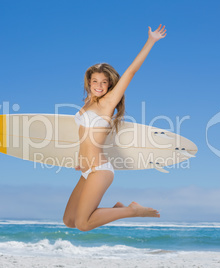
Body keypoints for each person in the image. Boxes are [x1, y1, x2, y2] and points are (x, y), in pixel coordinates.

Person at [63, 24, 167, 231]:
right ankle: (119, 208)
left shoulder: (108, 103)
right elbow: (84, 136)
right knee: (70, 221)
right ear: (89, 82)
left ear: (110, 85)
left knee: (83, 224)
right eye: (95, 81)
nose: (99, 86)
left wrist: (151, 41)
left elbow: (131, 72)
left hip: (100, 170)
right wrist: (80, 158)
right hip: (85, 170)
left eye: (104, 82)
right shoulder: (86, 104)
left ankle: (133, 210)